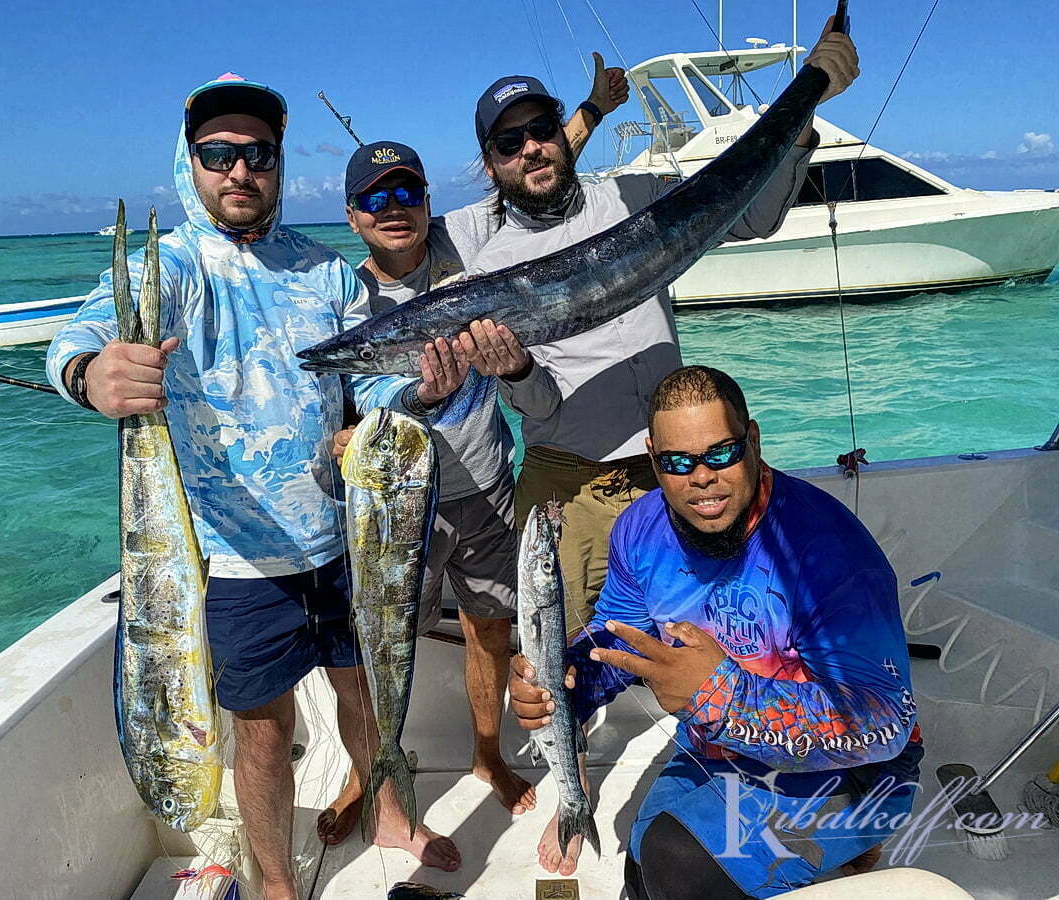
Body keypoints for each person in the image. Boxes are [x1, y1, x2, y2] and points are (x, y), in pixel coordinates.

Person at [453, 18, 857, 872]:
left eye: (540, 129)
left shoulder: (631, 197)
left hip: (681, 474)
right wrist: (514, 367)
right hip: (569, 480)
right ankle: (572, 793)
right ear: (491, 164)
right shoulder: (489, 269)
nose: (531, 149)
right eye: (509, 143)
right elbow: (540, 403)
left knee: (726, 631)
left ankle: (744, 770)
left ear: (560, 131)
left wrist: (809, 103)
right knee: (562, 659)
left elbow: (752, 213)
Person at [45, 73, 459, 900]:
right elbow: (79, 338)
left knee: (365, 690)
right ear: (189, 161)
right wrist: (91, 373)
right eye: (218, 153)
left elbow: (367, 383)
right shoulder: (171, 267)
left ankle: (387, 810)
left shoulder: (329, 273)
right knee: (263, 732)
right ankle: (276, 879)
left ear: (278, 164)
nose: (240, 170)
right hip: (234, 560)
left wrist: (416, 392)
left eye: (258, 154)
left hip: (344, 536)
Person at [316, 58, 631, 845]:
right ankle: (365, 769)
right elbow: (326, 412)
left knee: (492, 630)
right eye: (375, 199)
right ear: (352, 216)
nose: (395, 209)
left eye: (408, 193)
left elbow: (535, 162)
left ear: (430, 200)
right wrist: (344, 439)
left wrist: (594, 107)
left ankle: (487, 756)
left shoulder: (467, 245)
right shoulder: (341, 301)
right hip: (400, 508)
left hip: (487, 485)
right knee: (380, 644)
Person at [509, 365, 924, 897]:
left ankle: (853, 840)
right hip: (715, 747)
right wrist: (561, 684)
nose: (701, 477)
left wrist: (719, 694)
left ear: (753, 440)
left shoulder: (831, 555)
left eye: (722, 453)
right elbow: (618, 638)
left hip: (862, 771)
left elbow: (885, 722)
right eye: (678, 462)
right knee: (642, 870)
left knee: (677, 862)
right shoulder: (638, 529)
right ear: (653, 458)